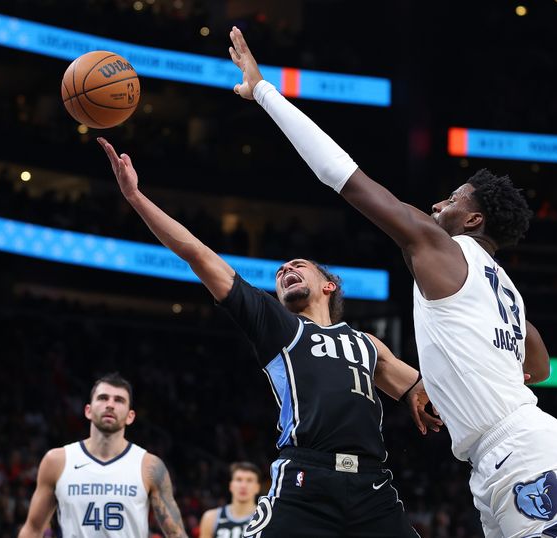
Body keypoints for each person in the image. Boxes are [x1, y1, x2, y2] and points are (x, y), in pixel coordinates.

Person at [228, 26, 557, 538]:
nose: (437, 206)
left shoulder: (442, 249)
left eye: (452, 200)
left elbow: (344, 177)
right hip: (503, 451)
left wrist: (264, 92)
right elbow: (539, 361)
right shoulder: (503, 287)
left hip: (518, 450)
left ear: (473, 222)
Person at [96, 136, 442, 538]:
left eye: (298, 265)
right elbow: (197, 253)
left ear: (329, 286)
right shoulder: (278, 325)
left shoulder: (367, 343)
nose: (285, 270)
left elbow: (421, 387)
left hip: (373, 486)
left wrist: (440, 388)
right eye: (280, 273)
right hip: (305, 480)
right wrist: (136, 197)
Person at [18, 373, 187, 538]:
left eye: (119, 400)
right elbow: (33, 530)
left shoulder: (150, 466)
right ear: (88, 411)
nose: (110, 405)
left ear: (130, 416)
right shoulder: (57, 461)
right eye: (103, 398)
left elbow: (176, 534)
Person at [198, 462, 261, 538]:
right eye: (239, 480)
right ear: (231, 485)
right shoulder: (211, 518)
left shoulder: (268, 519)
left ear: (257, 487)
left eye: (249, 480)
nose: (243, 485)